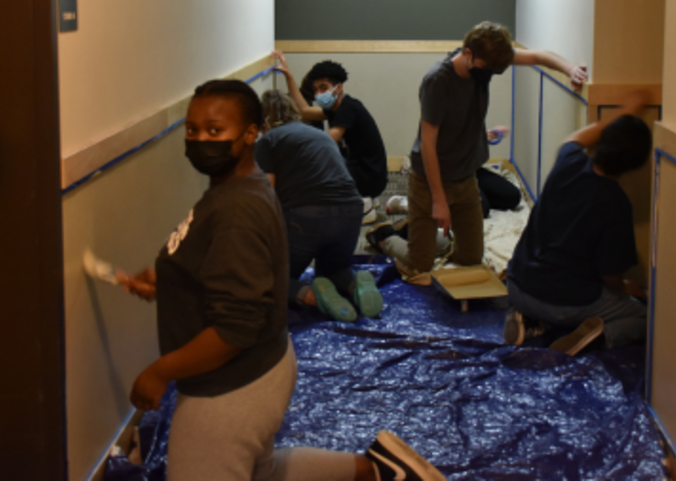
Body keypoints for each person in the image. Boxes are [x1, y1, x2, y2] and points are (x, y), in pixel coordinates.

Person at [122, 80, 444, 481]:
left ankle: (310, 294)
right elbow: (233, 264)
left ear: (253, 133)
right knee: (263, 472)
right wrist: (176, 279)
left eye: (216, 130)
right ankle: (381, 471)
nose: (202, 139)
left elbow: (238, 323)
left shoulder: (241, 204)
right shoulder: (240, 186)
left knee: (289, 278)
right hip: (342, 220)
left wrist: (159, 371)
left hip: (230, 388)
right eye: (192, 129)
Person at [384, 22, 588, 282]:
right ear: (468, 53)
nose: (488, 75)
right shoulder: (438, 80)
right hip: (430, 179)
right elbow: (428, 144)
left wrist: (570, 69)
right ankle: (386, 236)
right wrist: (439, 200)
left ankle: (424, 231)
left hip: (466, 176)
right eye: (485, 69)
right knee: (419, 266)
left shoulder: (489, 58)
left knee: (471, 260)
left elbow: (538, 56)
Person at [504, 91, 652, 356]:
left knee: (551, 288)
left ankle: (526, 317)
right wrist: (626, 288)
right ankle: (597, 337)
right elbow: (611, 278)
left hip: (517, 283)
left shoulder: (569, 162)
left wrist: (627, 110)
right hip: (564, 304)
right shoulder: (615, 204)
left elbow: (577, 137)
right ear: (634, 165)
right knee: (642, 319)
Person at [255, 90, 383, 320]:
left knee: (270, 278)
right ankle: (355, 285)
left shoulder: (268, 141)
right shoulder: (319, 134)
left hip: (308, 214)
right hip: (352, 209)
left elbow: (268, 195)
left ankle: (311, 297)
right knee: (332, 271)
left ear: (263, 123)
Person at [273, 52, 388, 215]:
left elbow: (325, 142)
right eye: (316, 89)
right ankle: (359, 197)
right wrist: (288, 75)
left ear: (338, 87)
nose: (319, 94)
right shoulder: (336, 108)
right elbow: (305, 111)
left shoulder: (348, 109)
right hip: (367, 172)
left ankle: (363, 206)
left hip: (370, 178)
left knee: (317, 167)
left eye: (324, 88)